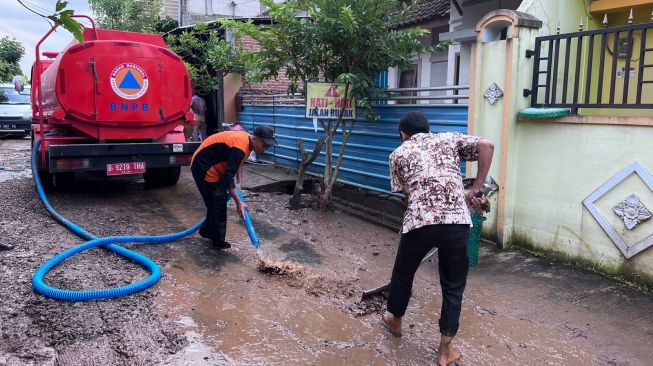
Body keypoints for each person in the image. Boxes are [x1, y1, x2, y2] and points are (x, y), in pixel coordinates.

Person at [381, 112, 494, 366]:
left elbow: (410, 194)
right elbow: (487, 146)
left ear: (403, 135)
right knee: (453, 285)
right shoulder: (449, 139)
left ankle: (395, 321)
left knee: (403, 272)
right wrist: (475, 189)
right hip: (456, 222)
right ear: (428, 130)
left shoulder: (397, 154)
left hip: (419, 221)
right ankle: (445, 350)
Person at [191, 125, 277, 249]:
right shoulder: (240, 147)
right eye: (264, 145)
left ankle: (206, 232)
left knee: (214, 203)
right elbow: (227, 179)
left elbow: (239, 162)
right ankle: (218, 242)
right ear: (255, 138)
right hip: (203, 165)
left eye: (267, 147)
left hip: (211, 164)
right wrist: (238, 203)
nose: (265, 149)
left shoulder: (247, 142)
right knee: (218, 202)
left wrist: (239, 182)